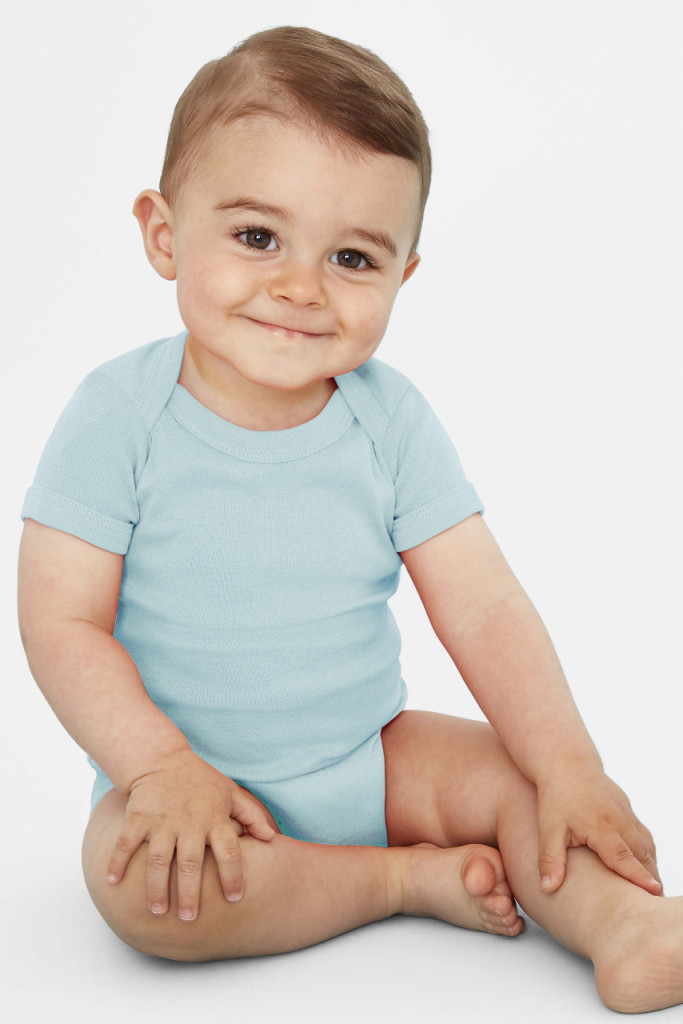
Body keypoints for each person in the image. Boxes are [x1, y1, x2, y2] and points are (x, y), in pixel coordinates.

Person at [17, 25, 683, 1014]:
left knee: (520, 785)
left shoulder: (388, 419)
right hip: (190, 784)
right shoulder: (118, 416)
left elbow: (484, 608)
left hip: (374, 758)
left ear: (402, 274)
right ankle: (396, 881)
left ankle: (623, 924)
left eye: (351, 257)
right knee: (145, 890)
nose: (300, 287)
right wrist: (156, 769)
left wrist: (568, 766)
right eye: (257, 237)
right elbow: (61, 621)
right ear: (163, 233)